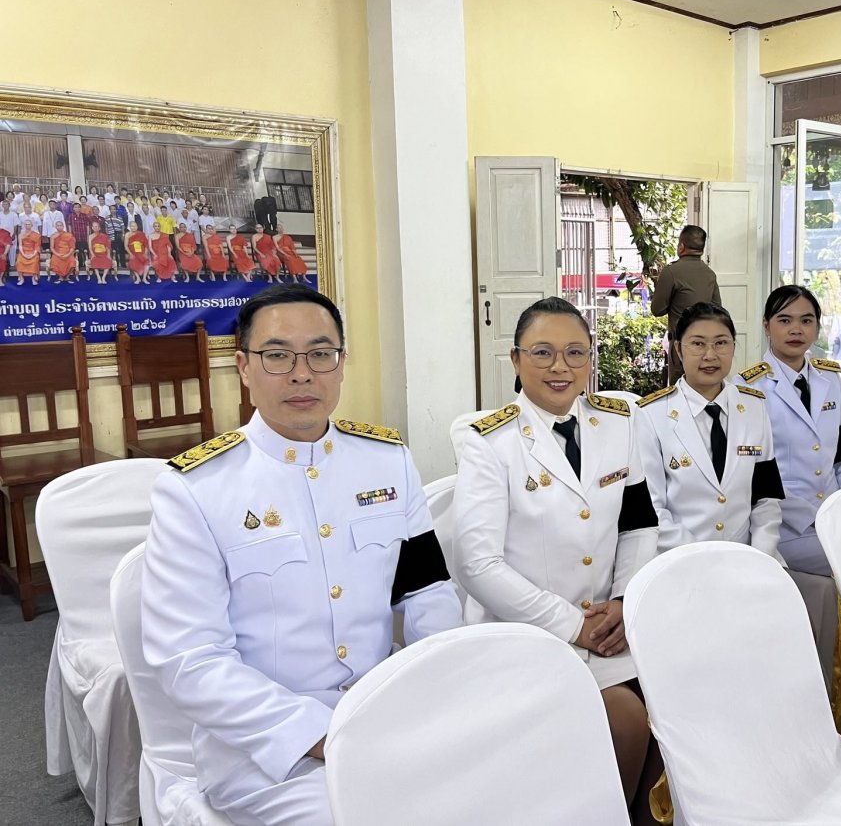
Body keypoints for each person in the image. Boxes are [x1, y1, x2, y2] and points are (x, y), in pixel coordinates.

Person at [141, 284, 462, 826]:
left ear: (341, 363)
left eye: (320, 354)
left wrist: (435, 690)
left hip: (384, 708)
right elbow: (189, 660)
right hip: (265, 749)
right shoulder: (196, 488)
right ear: (244, 367)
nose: (301, 374)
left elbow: (426, 589)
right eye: (277, 356)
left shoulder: (387, 461)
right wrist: (320, 734)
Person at [453, 296, 660, 820]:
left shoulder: (618, 422)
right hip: (526, 634)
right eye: (542, 352)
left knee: (677, 711)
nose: (560, 367)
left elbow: (638, 524)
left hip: (608, 627)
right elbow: (477, 564)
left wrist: (623, 600)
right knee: (624, 721)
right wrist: (572, 626)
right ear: (516, 360)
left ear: (591, 358)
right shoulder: (488, 439)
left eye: (575, 352)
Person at [735, 285, 841, 576]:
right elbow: (751, 475)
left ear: (817, 328)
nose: (796, 329)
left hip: (836, 515)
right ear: (766, 326)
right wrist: (816, 519)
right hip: (784, 524)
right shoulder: (747, 389)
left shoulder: (831, 379)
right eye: (785, 320)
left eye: (806, 320)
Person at [637, 301, 784, 557]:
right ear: (678, 349)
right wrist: (705, 558)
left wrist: (760, 556)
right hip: (681, 560)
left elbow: (766, 497)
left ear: (733, 347)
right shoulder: (651, 415)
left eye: (721, 343)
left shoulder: (754, 407)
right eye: (697, 344)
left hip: (747, 558)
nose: (710, 355)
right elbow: (652, 509)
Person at [649, 225, 722, 383]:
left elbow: (657, 309)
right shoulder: (709, 274)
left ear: (681, 247)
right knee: (702, 386)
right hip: (705, 346)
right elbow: (717, 309)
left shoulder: (671, 272)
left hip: (681, 345)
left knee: (680, 389)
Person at [15, 220, 41, 285]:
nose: (27, 226)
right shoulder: (21, 235)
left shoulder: (36, 235)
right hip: (23, 251)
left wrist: (32, 255)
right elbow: (20, 245)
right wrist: (23, 254)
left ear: (32, 225)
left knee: (35, 261)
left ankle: (33, 278)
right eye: (26, 224)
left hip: (33, 251)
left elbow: (37, 247)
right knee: (19, 261)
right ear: (24, 225)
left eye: (29, 224)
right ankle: (21, 279)